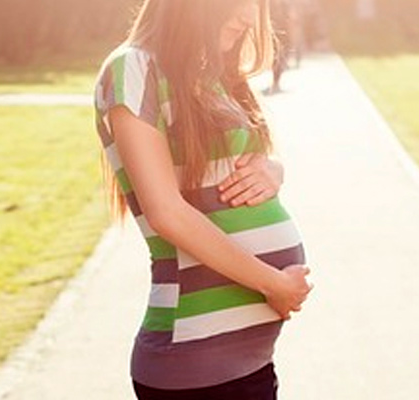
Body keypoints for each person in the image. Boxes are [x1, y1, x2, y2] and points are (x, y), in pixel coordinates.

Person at [91, 0, 313, 398]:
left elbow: (238, 161)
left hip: (250, 364)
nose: (249, 16)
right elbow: (167, 214)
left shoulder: (212, 75)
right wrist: (273, 283)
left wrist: (273, 168)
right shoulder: (133, 69)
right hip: (194, 368)